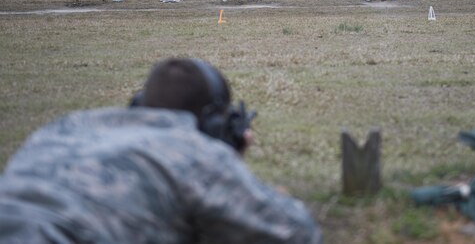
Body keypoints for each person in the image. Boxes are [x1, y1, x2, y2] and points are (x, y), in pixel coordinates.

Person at [0, 58, 322, 243]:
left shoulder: (65, 126)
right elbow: (297, 232)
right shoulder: (194, 152)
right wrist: (231, 161)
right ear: (211, 125)